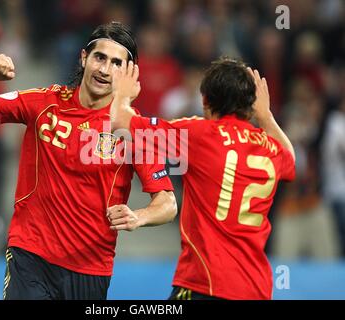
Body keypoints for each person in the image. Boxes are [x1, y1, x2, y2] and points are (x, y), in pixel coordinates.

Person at [0, 22, 177, 300]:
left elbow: (167, 204)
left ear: (128, 73)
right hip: (31, 254)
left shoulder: (133, 129)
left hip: (90, 267)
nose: (104, 70)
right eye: (99, 57)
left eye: (116, 63)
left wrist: (139, 216)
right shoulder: (45, 102)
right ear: (84, 58)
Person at [109, 58, 296, 300]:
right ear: (251, 105)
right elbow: (291, 162)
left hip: (207, 283)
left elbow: (120, 122)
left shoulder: (199, 135)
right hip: (256, 287)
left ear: (205, 100)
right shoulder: (270, 148)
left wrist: (122, 95)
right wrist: (266, 116)